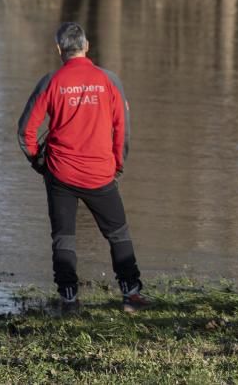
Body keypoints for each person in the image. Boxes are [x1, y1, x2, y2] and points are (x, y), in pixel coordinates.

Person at [18, 22, 149, 314]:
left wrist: (40, 163)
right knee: (118, 233)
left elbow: (25, 131)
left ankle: (69, 299)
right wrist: (117, 163)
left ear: (58, 50)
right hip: (101, 173)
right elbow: (123, 129)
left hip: (60, 174)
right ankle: (131, 294)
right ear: (87, 46)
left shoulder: (50, 82)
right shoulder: (109, 80)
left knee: (64, 236)